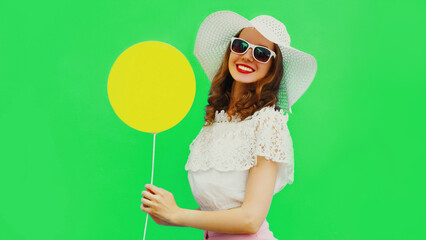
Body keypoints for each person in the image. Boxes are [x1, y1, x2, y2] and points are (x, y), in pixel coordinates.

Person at [140, 10, 317, 239]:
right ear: (230, 50)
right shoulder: (216, 122)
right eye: (241, 46)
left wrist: (178, 214)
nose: (247, 56)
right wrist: (168, 216)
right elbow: (220, 211)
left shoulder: (268, 123)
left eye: (261, 53)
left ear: (272, 69)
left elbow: (250, 219)